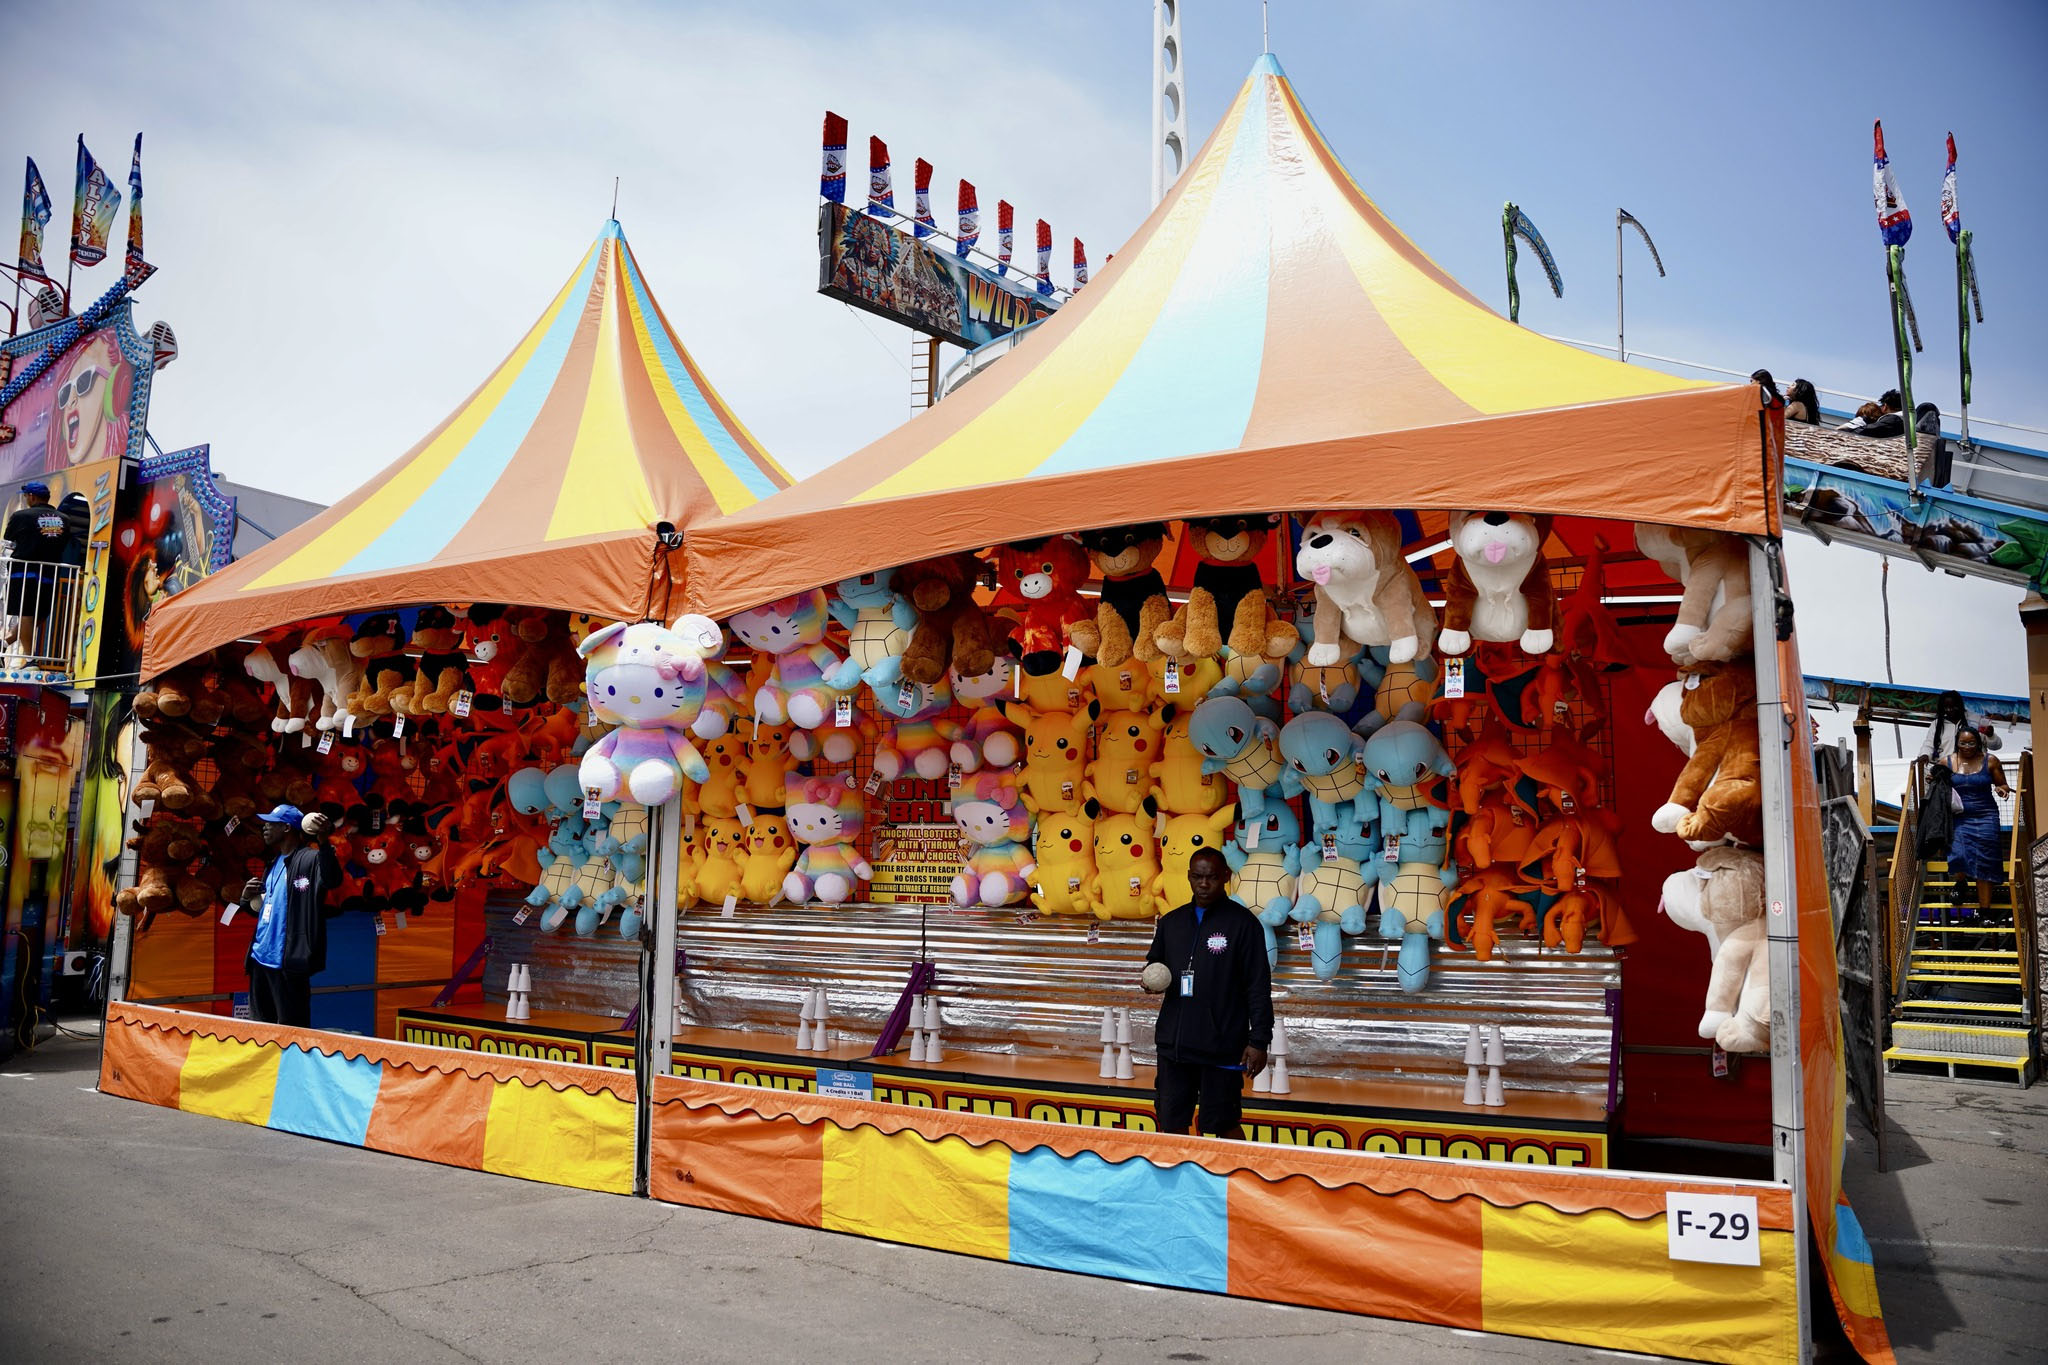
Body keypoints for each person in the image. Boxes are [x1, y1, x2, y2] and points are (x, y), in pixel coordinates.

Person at [1141, 847, 1272, 1138]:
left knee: (1224, 1125)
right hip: (1175, 1045)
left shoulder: (1243, 924)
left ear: (1225, 876)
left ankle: (1234, 1181)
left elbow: (1258, 985)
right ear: (1188, 877)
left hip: (1222, 1045)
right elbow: (1155, 964)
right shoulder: (1171, 923)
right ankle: (1178, 1183)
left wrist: (1260, 1040)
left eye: (1211, 877)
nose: (1203, 884)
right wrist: (1150, 982)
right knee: (1172, 1123)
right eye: (1197, 877)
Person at [239, 804, 342, 1027]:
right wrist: (245, 899)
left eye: (270, 823)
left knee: (292, 1032)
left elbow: (332, 879)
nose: (264, 827)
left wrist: (324, 842)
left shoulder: (310, 858)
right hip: (260, 960)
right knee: (259, 1030)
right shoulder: (273, 863)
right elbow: (263, 910)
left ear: (286, 827)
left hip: (288, 964)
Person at [1942, 727, 2010, 918]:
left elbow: (2002, 783)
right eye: (1963, 743)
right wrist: (1933, 778)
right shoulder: (1947, 762)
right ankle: (1961, 882)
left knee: (1984, 862)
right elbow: (1936, 784)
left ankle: (1985, 911)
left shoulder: (1990, 760)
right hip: (1959, 816)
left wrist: (2001, 790)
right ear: (1957, 742)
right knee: (1959, 852)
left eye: (1971, 742)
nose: (1967, 747)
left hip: (1985, 815)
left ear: (1978, 742)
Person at [2, 481, 69, 659]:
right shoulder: (64, 519)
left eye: (26, 496)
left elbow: (8, 542)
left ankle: (29, 658)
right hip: (49, 574)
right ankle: (5, 643)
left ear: (31, 497)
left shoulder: (21, 516)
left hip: (23, 573)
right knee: (39, 614)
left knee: (26, 613)